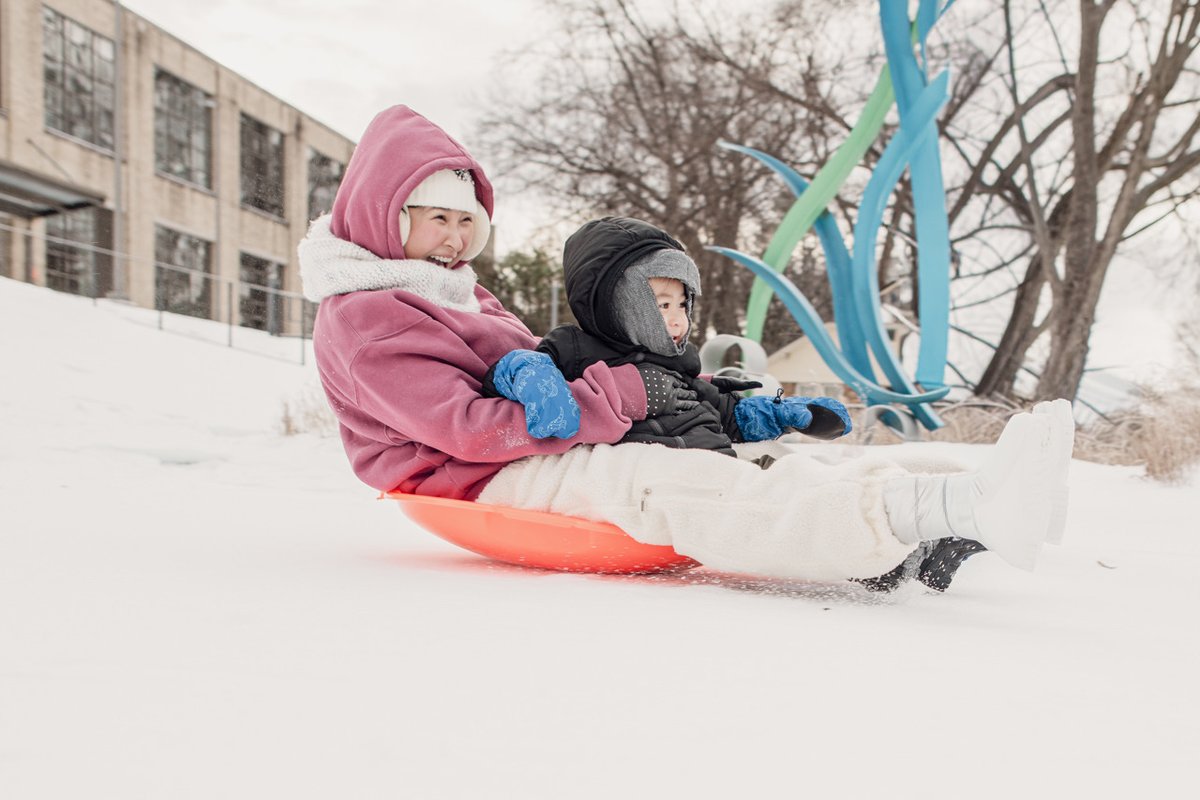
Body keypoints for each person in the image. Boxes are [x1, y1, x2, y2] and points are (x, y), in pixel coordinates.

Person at [299, 104, 1074, 592]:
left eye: (470, 222)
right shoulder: (366, 317)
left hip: (528, 456)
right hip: (479, 479)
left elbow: (532, 372)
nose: (457, 238)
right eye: (438, 218)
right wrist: (619, 399)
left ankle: (961, 497)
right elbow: (471, 428)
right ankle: (956, 504)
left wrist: (622, 391)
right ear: (385, 213)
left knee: (752, 465)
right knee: (680, 484)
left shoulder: (452, 291)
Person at [485, 215, 852, 462]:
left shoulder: (680, 363)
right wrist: (528, 373)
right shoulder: (576, 348)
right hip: (642, 478)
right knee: (756, 495)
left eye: (683, 303)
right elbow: (498, 384)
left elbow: (726, 417)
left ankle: (874, 526)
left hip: (711, 468)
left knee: (788, 474)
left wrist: (778, 415)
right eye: (662, 304)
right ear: (618, 304)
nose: (678, 318)